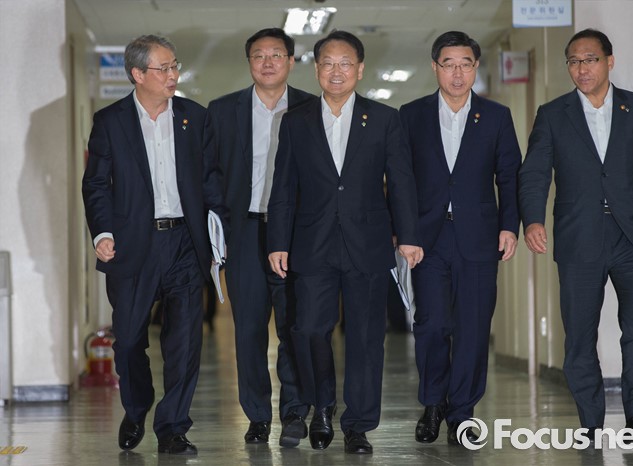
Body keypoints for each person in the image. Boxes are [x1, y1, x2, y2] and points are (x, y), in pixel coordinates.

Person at [518, 28, 633, 440]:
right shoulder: (553, 114)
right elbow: (535, 173)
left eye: (590, 59)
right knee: (579, 336)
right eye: (574, 61)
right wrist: (533, 220)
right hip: (578, 238)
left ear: (609, 61)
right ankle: (590, 422)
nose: (582, 69)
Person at [267, 30, 422, 455]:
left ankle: (358, 425)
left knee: (366, 337)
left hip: (367, 243)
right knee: (308, 329)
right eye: (328, 64)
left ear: (360, 69)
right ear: (316, 69)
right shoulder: (295, 120)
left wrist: (409, 237)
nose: (336, 72)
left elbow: (401, 182)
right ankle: (321, 406)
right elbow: (283, 187)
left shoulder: (385, 119)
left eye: (345, 63)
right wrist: (278, 241)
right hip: (311, 243)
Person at [82, 34, 227, 455]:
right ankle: (137, 405)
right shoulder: (110, 121)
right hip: (132, 244)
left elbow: (211, 180)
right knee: (129, 339)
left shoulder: (194, 117)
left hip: (184, 242)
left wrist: (218, 229)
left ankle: (173, 427)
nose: (172, 75)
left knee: (184, 343)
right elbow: (96, 185)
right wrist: (103, 233)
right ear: (138, 74)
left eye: (175, 66)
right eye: (163, 68)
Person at [399, 31, 521, 446]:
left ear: (475, 68)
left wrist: (509, 226)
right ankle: (433, 403)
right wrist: (405, 232)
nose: (457, 73)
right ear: (435, 67)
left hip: (479, 238)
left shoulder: (496, 116)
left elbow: (509, 176)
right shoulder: (411, 115)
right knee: (432, 323)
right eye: (448, 64)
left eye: (465, 64)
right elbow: (401, 179)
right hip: (428, 239)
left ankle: (462, 411)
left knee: (473, 327)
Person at [203, 27, 314, 447]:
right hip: (245, 232)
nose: (267, 63)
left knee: (293, 326)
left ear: (290, 61)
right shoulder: (222, 110)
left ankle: (294, 412)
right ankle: (257, 416)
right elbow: (209, 173)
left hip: (297, 234)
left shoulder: (312, 108)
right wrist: (223, 225)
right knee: (248, 329)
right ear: (249, 62)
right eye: (259, 56)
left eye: (276, 55)